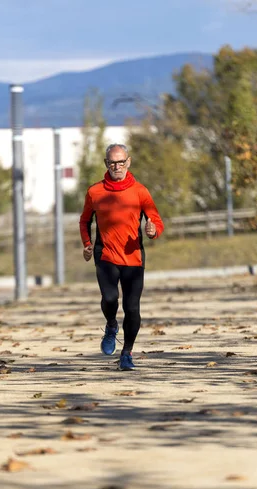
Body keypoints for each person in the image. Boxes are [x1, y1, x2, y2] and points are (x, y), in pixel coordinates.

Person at [79, 143, 164, 370]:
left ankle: (127, 353)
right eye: (112, 163)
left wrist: (153, 230)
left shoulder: (140, 191)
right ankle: (110, 325)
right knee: (109, 299)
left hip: (133, 257)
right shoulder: (95, 192)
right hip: (105, 254)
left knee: (132, 308)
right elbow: (84, 221)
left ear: (129, 161)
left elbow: (156, 220)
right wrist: (87, 244)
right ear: (106, 164)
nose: (117, 166)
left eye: (121, 162)